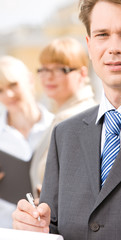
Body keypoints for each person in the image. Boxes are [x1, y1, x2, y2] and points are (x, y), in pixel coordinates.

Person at [12, 0, 121, 239]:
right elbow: (54, 227)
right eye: (102, 34)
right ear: (90, 46)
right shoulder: (64, 135)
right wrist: (35, 229)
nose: (114, 47)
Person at [31, 37, 97, 187]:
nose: (48, 76)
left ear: (82, 73)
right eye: (44, 69)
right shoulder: (63, 114)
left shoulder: (79, 118)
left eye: (59, 69)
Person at [0, 55, 54, 228]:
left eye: (13, 85)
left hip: (49, 228)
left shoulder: (58, 127)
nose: (8, 94)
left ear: (30, 80)